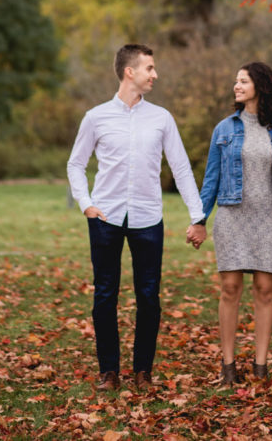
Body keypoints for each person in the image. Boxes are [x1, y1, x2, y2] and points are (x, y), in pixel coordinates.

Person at [67, 43, 207, 391]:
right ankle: (108, 372)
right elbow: (76, 164)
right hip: (105, 219)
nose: (155, 74)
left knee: (148, 297)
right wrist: (85, 203)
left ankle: (143, 371)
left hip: (148, 219)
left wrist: (198, 216)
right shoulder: (96, 117)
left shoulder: (161, 118)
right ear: (130, 71)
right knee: (104, 295)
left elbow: (181, 168)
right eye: (149, 68)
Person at [195, 61, 272, 385]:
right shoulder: (224, 129)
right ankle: (228, 368)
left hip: (269, 216)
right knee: (230, 288)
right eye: (236, 81)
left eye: (243, 81)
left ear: (260, 86)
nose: (236, 86)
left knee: (265, 290)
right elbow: (211, 178)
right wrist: (199, 220)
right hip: (232, 215)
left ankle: (260, 366)